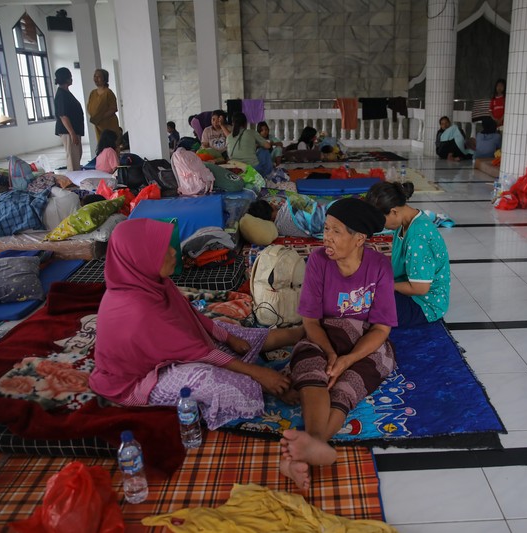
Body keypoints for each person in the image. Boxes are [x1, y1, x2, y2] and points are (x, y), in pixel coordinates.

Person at [89, 218, 304, 428]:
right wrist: (258, 373)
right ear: (140, 257)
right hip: (141, 380)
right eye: (164, 251)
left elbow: (190, 314)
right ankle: (269, 386)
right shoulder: (137, 310)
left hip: (172, 350)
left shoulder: (151, 282)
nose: (174, 253)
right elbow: (196, 352)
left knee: (235, 335)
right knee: (220, 382)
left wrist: (228, 337)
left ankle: (303, 332)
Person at [279, 198, 396, 490]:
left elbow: (381, 328)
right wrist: (332, 354)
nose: (326, 237)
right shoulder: (318, 261)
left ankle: (308, 447)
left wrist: (348, 359)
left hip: (366, 339)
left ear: (359, 239)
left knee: (351, 381)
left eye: (336, 231)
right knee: (311, 363)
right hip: (326, 333)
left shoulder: (379, 266)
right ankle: (314, 447)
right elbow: (311, 323)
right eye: (326, 229)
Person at [366, 181, 450, 328]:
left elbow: (420, 289)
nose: (381, 226)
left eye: (381, 220)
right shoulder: (408, 220)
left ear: (394, 211)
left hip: (424, 303)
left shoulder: (418, 237)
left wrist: (387, 286)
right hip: (408, 289)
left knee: (362, 305)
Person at [54, 67, 84, 171]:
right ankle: (73, 181)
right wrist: (72, 133)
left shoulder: (66, 93)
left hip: (74, 131)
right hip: (68, 131)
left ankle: (75, 178)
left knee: (76, 155)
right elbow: (63, 116)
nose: (71, 78)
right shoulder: (61, 95)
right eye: (70, 76)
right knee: (72, 158)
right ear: (66, 78)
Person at [227, 112, 273, 177]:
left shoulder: (228, 137)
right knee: (264, 151)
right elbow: (268, 146)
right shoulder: (251, 132)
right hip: (253, 169)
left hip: (236, 169)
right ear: (245, 123)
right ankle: (266, 176)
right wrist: (258, 145)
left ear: (233, 124)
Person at [86, 69, 120, 144]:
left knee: (112, 145)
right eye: (95, 76)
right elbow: (89, 107)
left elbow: (113, 108)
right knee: (102, 145)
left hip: (109, 124)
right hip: (98, 125)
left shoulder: (108, 92)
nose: (96, 79)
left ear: (104, 79)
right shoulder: (93, 93)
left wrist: (100, 117)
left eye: (98, 77)